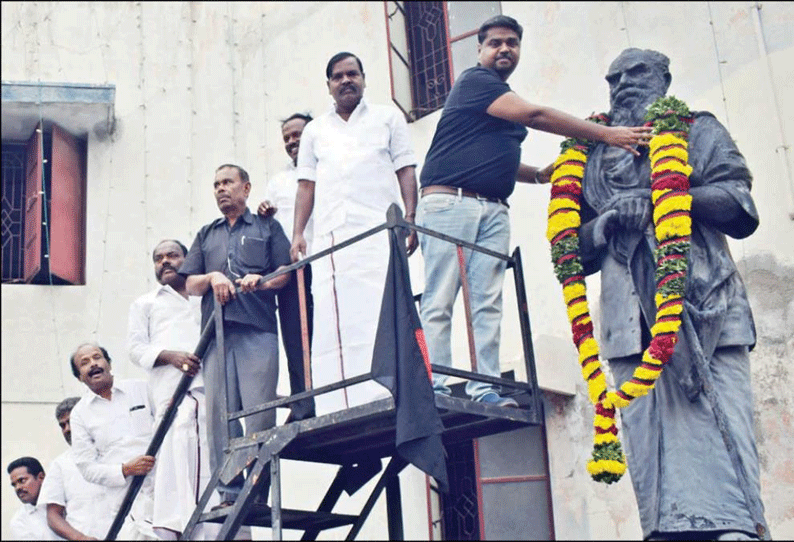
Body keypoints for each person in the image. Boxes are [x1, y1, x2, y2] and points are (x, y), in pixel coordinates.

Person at [576, 48, 768, 540]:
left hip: (706, 308)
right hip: (628, 324)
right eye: (612, 77)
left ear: (663, 78)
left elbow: (739, 205)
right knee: (647, 444)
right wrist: (605, 224)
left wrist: (665, 200)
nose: (621, 84)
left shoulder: (696, 130)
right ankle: (664, 530)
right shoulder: (590, 158)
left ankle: (735, 527)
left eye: (635, 73)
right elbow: (569, 251)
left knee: (721, 429)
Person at [417, 15, 651, 406]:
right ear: (479, 50)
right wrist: (609, 134)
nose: (504, 48)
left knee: (487, 305)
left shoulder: (496, 99)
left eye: (512, 42)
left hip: (493, 209)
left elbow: (493, 160)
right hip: (450, 203)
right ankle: (433, 386)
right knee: (440, 300)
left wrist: (540, 176)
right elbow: (536, 116)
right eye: (495, 43)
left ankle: (483, 388)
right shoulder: (475, 82)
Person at [290, 52, 419, 414]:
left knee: (380, 310)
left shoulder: (387, 117)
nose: (346, 81)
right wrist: (298, 233)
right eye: (338, 77)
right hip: (331, 238)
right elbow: (306, 185)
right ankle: (337, 403)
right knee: (334, 321)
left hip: (378, 231)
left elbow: (405, 168)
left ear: (364, 78)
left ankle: (386, 393)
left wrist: (410, 215)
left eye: (352, 74)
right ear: (328, 85)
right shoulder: (315, 130)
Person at [179, 163, 291, 508]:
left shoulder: (266, 225)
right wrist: (214, 277)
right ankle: (229, 492)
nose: (220, 189)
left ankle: (257, 494)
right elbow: (189, 283)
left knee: (260, 413)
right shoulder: (206, 233)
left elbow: (284, 274)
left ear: (246, 188)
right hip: (216, 336)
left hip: (257, 328)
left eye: (228, 182)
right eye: (215, 185)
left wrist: (261, 280)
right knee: (218, 417)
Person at [127, 239, 216, 539]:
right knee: (177, 456)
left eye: (172, 255)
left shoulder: (203, 296)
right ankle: (176, 529)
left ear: (187, 259)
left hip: (212, 389)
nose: (164, 261)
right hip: (171, 393)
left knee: (211, 455)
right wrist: (171, 356)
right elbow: (136, 349)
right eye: (158, 258)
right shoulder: (146, 303)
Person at [258, 113, 316, 422]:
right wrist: (264, 211)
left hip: (329, 260)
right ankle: (304, 404)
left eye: (298, 134)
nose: (293, 141)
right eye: (287, 138)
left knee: (330, 334)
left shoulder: (330, 168)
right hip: (293, 268)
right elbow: (270, 225)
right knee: (295, 335)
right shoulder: (279, 180)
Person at [68, 343, 157, 540]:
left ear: (108, 363)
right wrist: (125, 469)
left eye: (97, 357)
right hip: (126, 502)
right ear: (79, 377)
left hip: (164, 485)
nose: (93, 364)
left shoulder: (140, 388)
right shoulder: (80, 414)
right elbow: (86, 467)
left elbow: (167, 424)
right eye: (85, 363)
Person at [38, 397, 108, 540]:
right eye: (62, 426)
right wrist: (80, 538)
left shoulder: (115, 451)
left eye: (70, 422)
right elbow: (53, 515)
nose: (67, 429)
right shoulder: (60, 464)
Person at [8, 457, 59, 540]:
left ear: (41, 477)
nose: (17, 488)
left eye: (22, 481)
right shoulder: (19, 521)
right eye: (14, 485)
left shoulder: (65, 499)